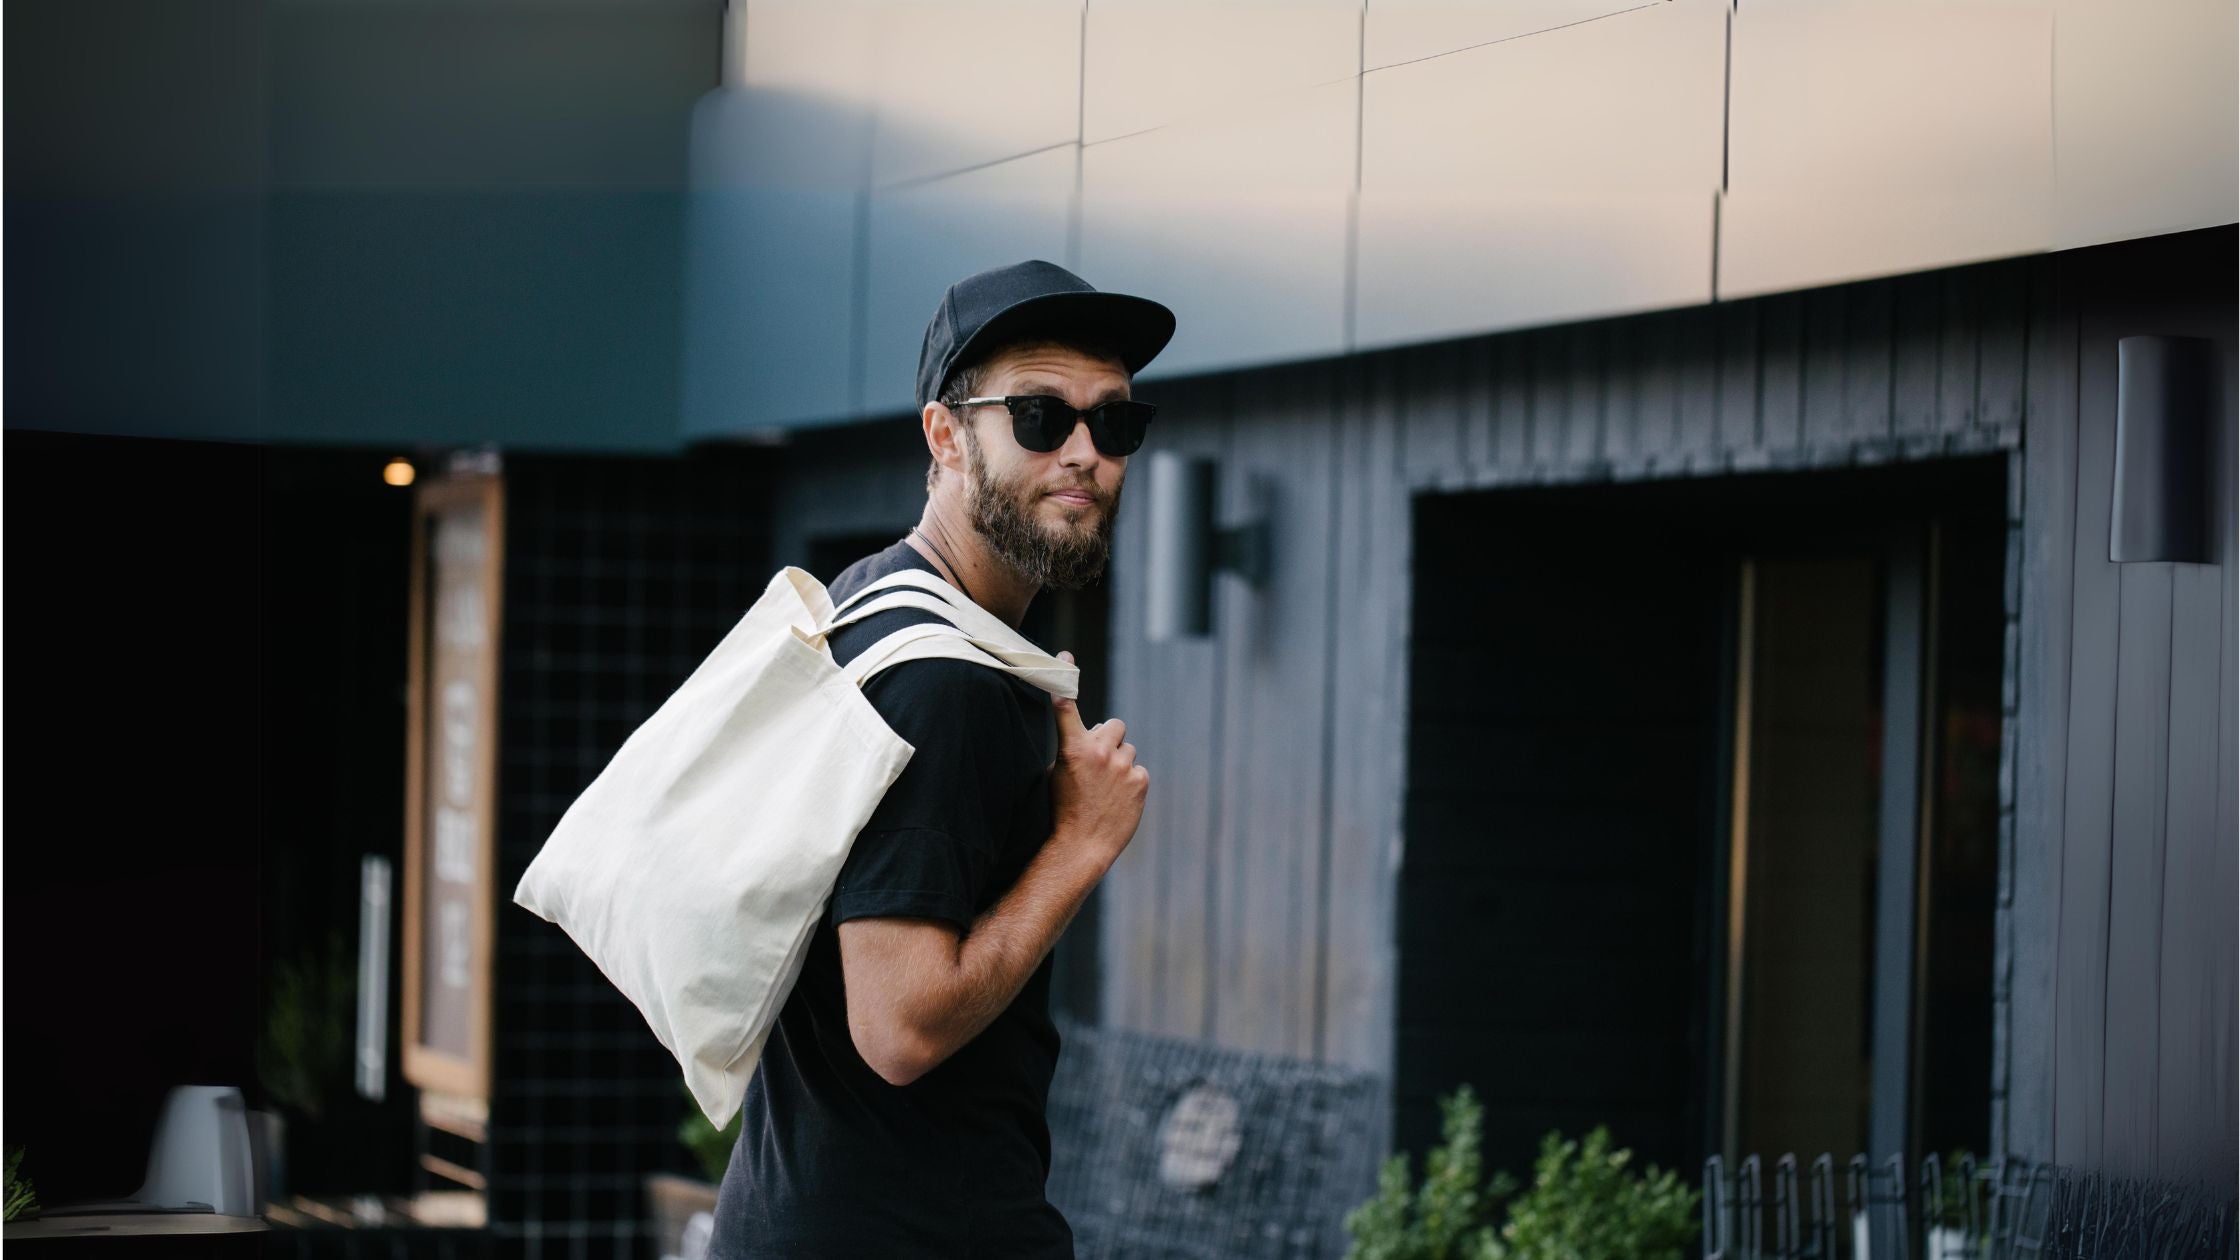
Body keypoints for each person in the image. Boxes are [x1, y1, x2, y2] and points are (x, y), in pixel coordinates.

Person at [708, 260, 1176, 1258]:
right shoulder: (944, 683)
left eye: (1116, 424)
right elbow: (900, 1027)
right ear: (945, 435)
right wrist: (1079, 846)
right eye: (1041, 418)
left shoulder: (870, 602)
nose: (1085, 453)